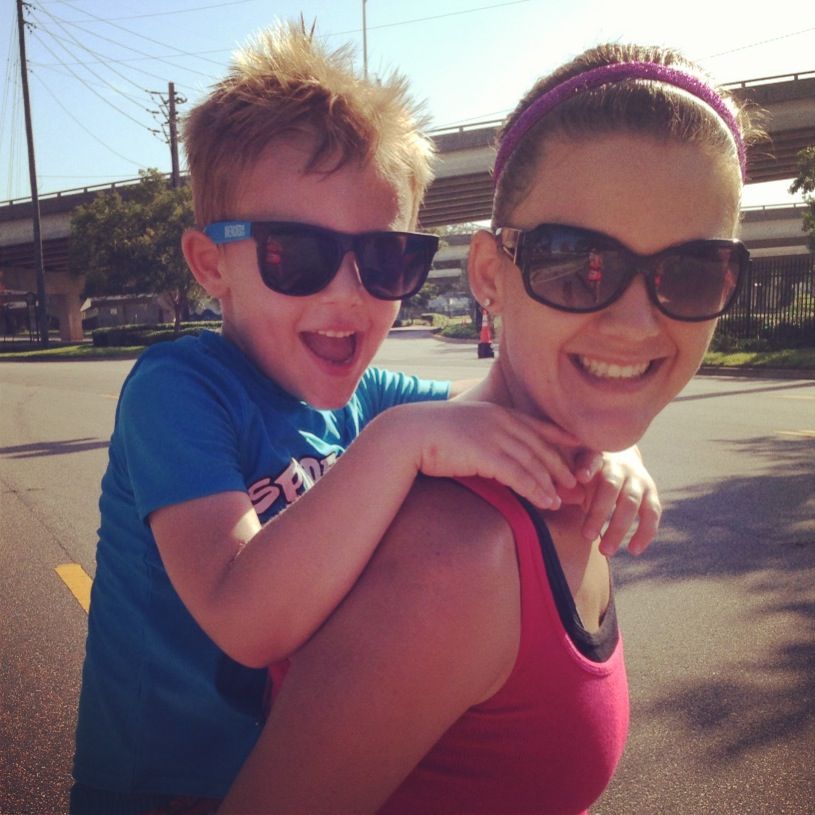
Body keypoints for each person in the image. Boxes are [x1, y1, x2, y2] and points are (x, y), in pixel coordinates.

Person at [69, 25, 661, 815]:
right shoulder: (179, 390)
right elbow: (245, 616)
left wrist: (614, 446)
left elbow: (508, 412)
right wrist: (396, 441)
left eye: (385, 260)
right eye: (294, 254)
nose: (348, 294)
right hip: (157, 788)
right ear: (211, 264)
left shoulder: (366, 395)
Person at [218, 42, 759, 815]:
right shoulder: (456, 561)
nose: (637, 324)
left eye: (693, 271)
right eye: (576, 263)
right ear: (487, 275)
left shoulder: (570, 473)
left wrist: (620, 446)